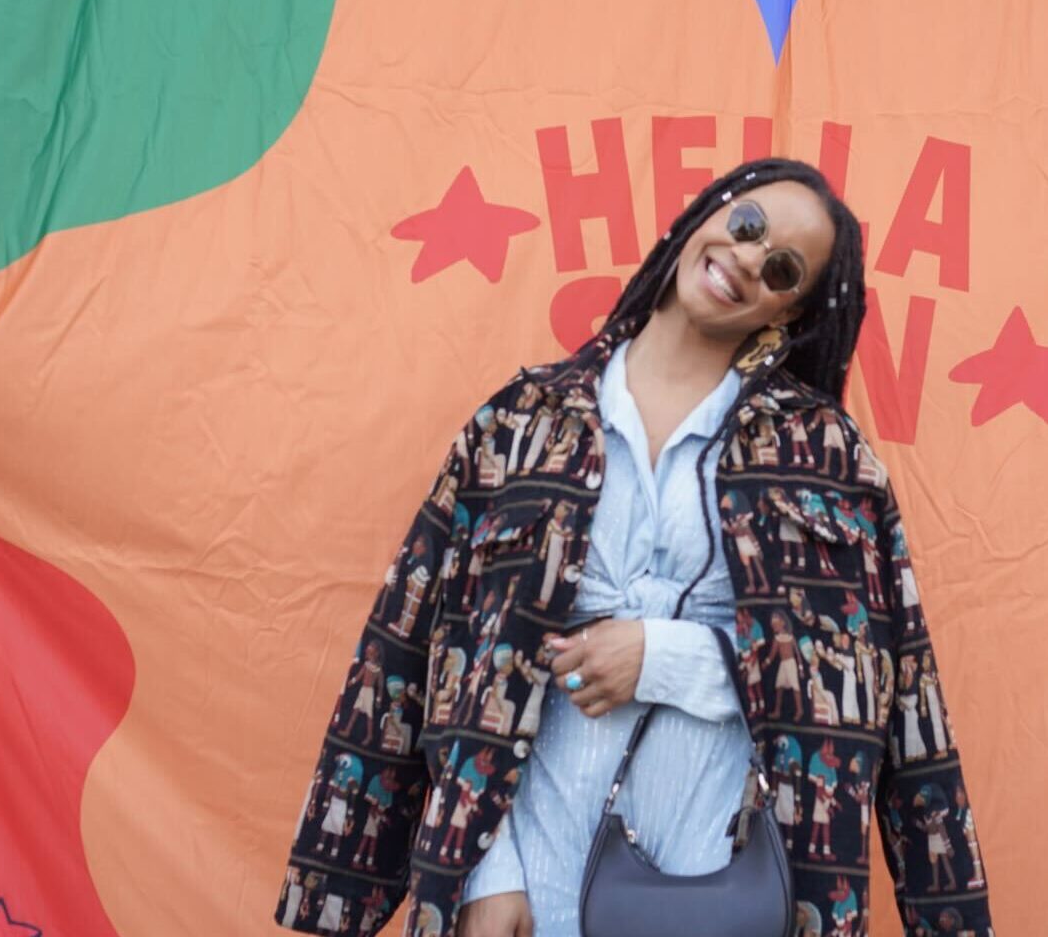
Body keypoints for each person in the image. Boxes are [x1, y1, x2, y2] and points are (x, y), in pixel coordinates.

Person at [277, 157, 994, 937]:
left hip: (724, 886)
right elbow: (435, 651)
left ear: (786, 314)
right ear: (704, 217)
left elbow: (869, 682)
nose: (750, 258)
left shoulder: (825, 456)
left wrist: (666, 659)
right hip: (530, 874)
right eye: (748, 225)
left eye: (782, 268)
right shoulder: (520, 424)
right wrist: (486, 868)